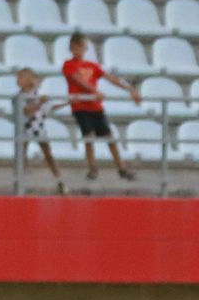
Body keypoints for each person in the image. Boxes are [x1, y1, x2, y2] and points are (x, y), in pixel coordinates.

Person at [62, 32, 138, 181]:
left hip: (95, 106)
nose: (78, 50)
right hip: (81, 106)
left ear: (85, 48)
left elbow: (110, 78)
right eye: (75, 47)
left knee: (109, 137)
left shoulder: (92, 66)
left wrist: (129, 88)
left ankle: (121, 168)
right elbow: (78, 80)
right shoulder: (69, 65)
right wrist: (94, 91)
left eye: (80, 47)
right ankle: (92, 167)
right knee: (88, 137)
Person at [17, 67, 66, 194]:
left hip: (39, 129)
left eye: (21, 77)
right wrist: (39, 103)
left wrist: (68, 103)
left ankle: (59, 180)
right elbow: (26, 111)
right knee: (22, 156)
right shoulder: (19, 96)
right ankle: (21, 182)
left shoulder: (38, 95)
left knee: (48, 155)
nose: (18, 80)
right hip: (24, 129)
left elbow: (50, 107)